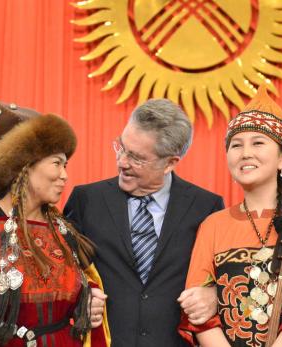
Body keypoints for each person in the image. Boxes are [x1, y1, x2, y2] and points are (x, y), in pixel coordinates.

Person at [179, 86, 282, 346]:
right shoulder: (213, 224)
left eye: (258, 143)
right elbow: (196, 310)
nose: (245, 153)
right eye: (236, 145)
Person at [64, 99, 224, 347]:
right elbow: (61, 268)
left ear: (170, 162)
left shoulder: (206, 207)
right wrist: (79, 295)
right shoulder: (86, 200)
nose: (122, 162)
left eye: (137, 158)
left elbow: (223, 278)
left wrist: (214, 294)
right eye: (121, 148)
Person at [0, 114, 110, 346]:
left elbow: (88, 285)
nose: (64, 175)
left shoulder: (65, 231)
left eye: (66, 165)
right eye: (56, 163)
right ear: (25, 165)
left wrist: (90, 300)